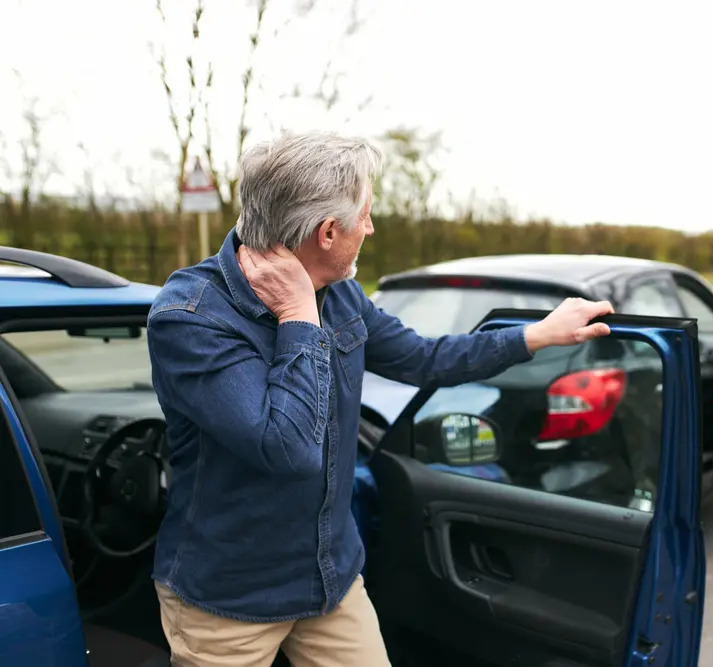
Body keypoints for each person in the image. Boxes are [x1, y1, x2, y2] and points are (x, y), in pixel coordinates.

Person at [145, 130, 616, 667]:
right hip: (228, 598)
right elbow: (287, 448)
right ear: (327, 232)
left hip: (330, 578)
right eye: (365, 215)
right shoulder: (191, 317)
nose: (369, 227)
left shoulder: (339, 290)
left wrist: (536, 335)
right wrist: (298, 317)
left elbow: (419, 357)